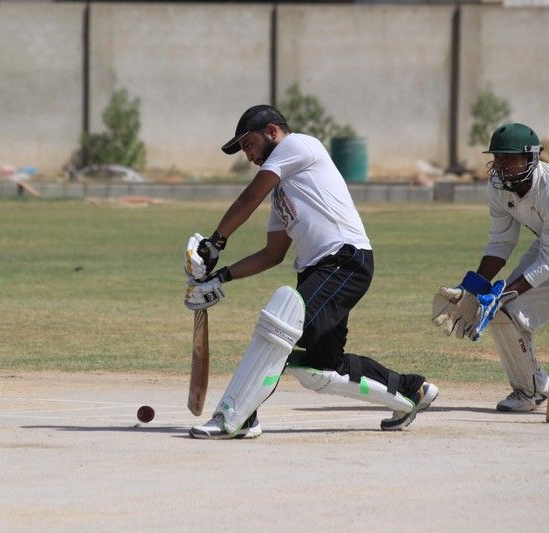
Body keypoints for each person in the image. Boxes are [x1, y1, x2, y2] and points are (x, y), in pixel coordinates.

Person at [183, 104, 438, 439]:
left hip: (343, 261)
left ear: (272, 132)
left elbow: (248, 199)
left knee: (280, 328)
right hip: (321, 269)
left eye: (249, 144)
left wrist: (215, 243)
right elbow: (273, 254)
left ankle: (238, 417)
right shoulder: (282, 192)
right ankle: (411, 390)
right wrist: (221, 277)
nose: (248, 155)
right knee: (322, 367)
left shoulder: (298, 145)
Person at [432, 123, 549, 412]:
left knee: (504, 303)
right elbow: (501, 242)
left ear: (530, 158)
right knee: (503, 313)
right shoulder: (498, 186)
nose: (501, 165)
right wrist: (471, 289)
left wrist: (505, 293)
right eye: (497, 157)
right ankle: (531, 391)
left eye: (509, 158)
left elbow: (547, 262)